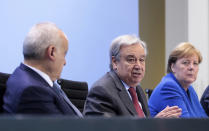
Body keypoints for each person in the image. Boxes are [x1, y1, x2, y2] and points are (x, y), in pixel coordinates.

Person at [83, 34, 181, 117]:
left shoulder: (137, 89)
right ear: (115, 62)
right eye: (131, 60)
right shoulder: (102, 91)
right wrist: (153, 125)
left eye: (141, 60)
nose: (138, 66)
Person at [3, 22, 82, 117]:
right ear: (52, 52)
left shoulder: (22, 74)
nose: (65, 62)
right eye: (64, 54)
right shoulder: (33, 92)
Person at [148, 42, 207, 118]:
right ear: (172, 67)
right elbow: (186, 125)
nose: (191, 67)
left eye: (195, 63)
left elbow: (203, 119)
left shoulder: (189, 88)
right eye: (186, 63)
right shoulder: (168, 87)